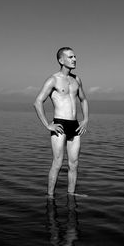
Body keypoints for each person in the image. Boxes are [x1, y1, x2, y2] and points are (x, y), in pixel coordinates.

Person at [34, 47, 89, 198]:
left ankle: (71, 194)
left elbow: (83, 100)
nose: (74, 59)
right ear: (61, 60)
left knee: (74, 163)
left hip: (75, 125)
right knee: (57, 163)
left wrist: (85, 119)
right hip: (59, 124)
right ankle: (50, 196)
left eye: (75, 56)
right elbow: (38, 102)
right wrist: (47, 125)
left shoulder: (76, 79)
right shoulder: (53, 80)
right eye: (71, 57)